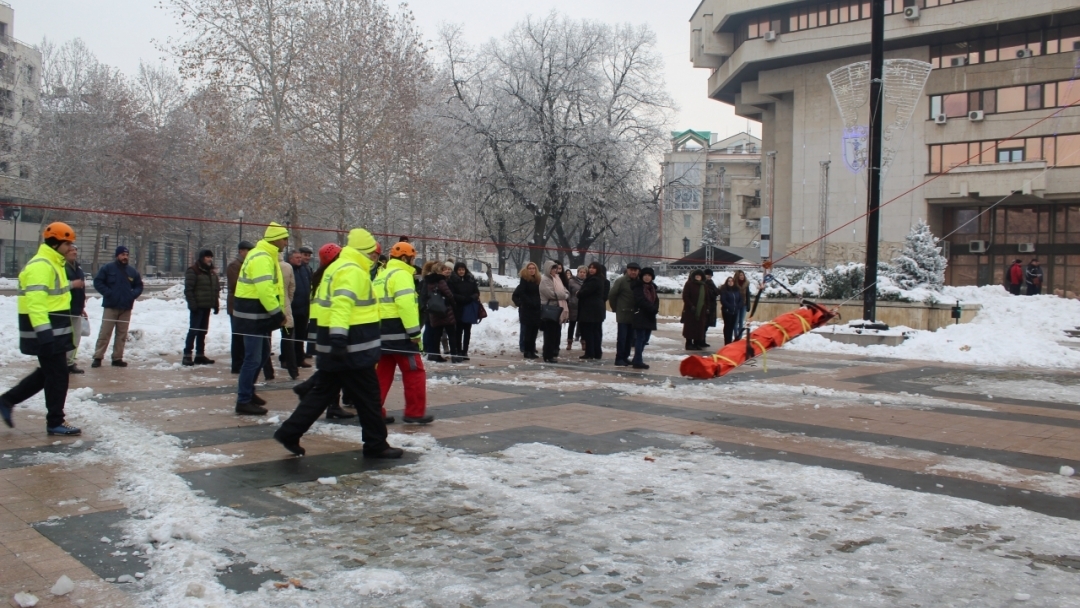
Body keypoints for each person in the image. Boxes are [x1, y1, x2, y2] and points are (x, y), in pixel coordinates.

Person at [273, 228, 402, 459]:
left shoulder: (337, 267)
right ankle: (376, 444)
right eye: (372, 253)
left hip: (335, 342)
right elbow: (342, 304)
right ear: (364, 251)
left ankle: (289, 432)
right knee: (369, 397)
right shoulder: (353, 271)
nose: (375, 258)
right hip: (352, 346)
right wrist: (340, 337)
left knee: (322, 393)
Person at [0, 222, 81, 435]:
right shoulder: (41, 265)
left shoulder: (54, 263)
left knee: (49, 373)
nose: (70, 247)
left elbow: (55, 296)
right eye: (67, 243)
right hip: (46, 332)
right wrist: (44, 333)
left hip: (55, 330)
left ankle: (7, 401)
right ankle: (55, 421)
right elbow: (36, 303)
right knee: (58, 375)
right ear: (56, 243)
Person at [234, 223, 291, 416]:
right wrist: (277, 313)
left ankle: (249, 391)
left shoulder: (267, 255)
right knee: (253, 357)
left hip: (257, 314)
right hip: (253, 315)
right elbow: (264, 289)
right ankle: (243, 399)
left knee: (263, 353)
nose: (286, 242)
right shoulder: (262, 257)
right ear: (275, 238)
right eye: (284, 238)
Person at [374, 241, 434, 424]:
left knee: (382, 374)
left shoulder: (381, 275)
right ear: (405, 258)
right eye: (412, 258)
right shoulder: (401, 275)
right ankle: (414, 413)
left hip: (380, 332)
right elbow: (406, 306)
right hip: (400, 334)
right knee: (414, 371)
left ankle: (373, 411)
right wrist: (415, 334)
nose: (413, 262)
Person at [91, 245, 143, 368]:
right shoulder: (107, 268)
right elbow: (98, 282)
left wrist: (132, 295)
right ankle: (98, 357)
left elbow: (139, 286)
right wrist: (109, 293)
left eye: (127, 255)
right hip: (111, 306)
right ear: (117, 256)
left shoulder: (132, 271)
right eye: (122, 255)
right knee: (105, 333)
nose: (125, 257)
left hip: (126, 307)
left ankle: (117, 358)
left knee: (121, 335)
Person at [182, 249, 220, 366]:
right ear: (202, 258)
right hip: (197, 307)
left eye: (211, 257)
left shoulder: (212, 272)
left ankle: (200, 355)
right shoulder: (193, 271)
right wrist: (192, 304)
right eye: (207, 257)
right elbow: (188, 290)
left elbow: (215, 289)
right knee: (194, 330)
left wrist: (215, 304)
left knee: (203, 331)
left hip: (207, 306)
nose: (210, 259)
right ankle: (187, 355)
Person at [421, 262, 459, 362]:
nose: (445, 271)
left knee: (436, 334)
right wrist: (453, 305)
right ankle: (454, 356)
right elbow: (449, 294)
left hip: (434, 311)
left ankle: (435, 355)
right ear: (439, 271)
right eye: (443, 269)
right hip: (446, 311)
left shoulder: (428, 281)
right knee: (451, 333)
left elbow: (424, 295)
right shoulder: (441, 281)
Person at [227, 241, 255, 373]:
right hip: (235, 306)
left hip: (244, 306)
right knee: (237, 336)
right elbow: (235, 285)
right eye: (247, 251)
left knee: (244, 336)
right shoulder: (234, 265)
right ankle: (237, 364)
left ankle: (242, 361)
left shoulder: (247, 264)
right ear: (241, 251)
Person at [607, 262, 640, 367]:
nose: (633, 272)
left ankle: (625, 357)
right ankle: (619, 358)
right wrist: (616, 308)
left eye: (635, 270)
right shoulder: (621, 281)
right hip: (623, 313)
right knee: (622, 337)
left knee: (630, 338)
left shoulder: (639, 282)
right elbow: (612, 295)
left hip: (634, 315)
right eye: (631, 270)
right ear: (627, 270)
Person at [448, 261, 480, 362]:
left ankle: (465, 350)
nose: (461, 272)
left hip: (469, 308)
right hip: (458, 308)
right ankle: (458, 350)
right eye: (459, 270)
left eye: (463, 269)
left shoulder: (470, 279)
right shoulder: (452, 281)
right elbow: (451, 294)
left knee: (467, 331)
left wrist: (472, 297)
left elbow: (476, 292)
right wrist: (462, 298)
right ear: (456, 271)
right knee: (458, 331)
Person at [538, 260, 569, 363]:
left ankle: (552, 353)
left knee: (555, 333)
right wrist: (563, 295)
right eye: (553, 268)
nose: (555, 270)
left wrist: (562, 294)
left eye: (555, 268)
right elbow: (551, 294)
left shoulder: (557, 279)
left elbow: (566, 291)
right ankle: (547, 355)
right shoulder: (545, 280)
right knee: (549, 334)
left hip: (558, 309)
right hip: (549, 309)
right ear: (548, 269)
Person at [64, 244, 88, 374]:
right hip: (65, 308)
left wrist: (82, 307)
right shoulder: (62, 267)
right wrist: (73, 285)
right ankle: (63, 362)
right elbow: (59, 286)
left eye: (75, 250)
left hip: (76, 307)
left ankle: (70, 362)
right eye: (71, 250)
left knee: (76, 337)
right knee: (66, 337)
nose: (74, 252)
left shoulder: (77, 268)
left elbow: (81, 289)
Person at [576, 262, 606, 361]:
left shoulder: (594, 280)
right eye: (590, 267)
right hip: (595, 310)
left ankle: (590, 352)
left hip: (591, 310)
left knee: (589, 332)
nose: (591, 269)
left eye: (594, 268)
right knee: (595, 332)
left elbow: (585, 292)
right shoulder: (599, 279)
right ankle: (596, 352)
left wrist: (578, 293)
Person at [512, 262, 542, 360]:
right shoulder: (524, 280)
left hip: (537, 309)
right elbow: (521, 294)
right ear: (527, 269)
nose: (532, 270)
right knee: (528, 332)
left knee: (534, 331)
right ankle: (527, 351)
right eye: (530, 268)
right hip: (527, 309)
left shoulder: (538, 280)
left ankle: (532, 350)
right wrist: (524, 303)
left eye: (533, 268)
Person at [631, 267, 659, 370]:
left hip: (650, 316)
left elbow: (656, 300)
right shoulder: (638, 287)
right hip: (641, 315)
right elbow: (640, 300)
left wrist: (655, 308)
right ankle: (638, 361)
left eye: (649, 276)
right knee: (640, 338)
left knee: (645, 339)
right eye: (645, 275)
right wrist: (652, 308)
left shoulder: (653, 288)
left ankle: (636, 358)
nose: (647, 277)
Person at [277, 251, 299, 380]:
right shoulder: (286, 267)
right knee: (288, 337)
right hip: (284, 306)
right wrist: (287, 301)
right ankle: (293, 370)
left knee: (265, 338)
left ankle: (268, 371)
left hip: (265, 307)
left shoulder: (265, 263)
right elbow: (292, 287)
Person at [291, 247, 314, 367]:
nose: (306, 258)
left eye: (308, 256)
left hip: (304, 307)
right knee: (290, 335)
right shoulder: (290, 269)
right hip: (293, 307)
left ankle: (299, 357)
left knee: (300, 334)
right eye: (304, 255)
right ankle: (288, 358)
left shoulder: (306, 270)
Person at [682, 270, 709, 350]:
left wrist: (707, 308)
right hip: (691, 310)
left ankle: (697, 343)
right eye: (696, 275)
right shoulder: (689, 284)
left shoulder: (704, 286)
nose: (697, 277)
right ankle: (689, 343)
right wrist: (691, 305)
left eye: (699, 275)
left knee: (699, 327)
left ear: (702, 277)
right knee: (690, 327)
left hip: (701, 310)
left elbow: (706, 298)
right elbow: (685, 296)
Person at [719, 276, 745, 345]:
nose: (730, 282)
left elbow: (740, 300)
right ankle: (727, 341)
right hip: (727, 311)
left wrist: (737, 306)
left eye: (732, 281)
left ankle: (730, 340)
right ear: (727, 282)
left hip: (735, 311)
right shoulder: (724, 290)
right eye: (729, 281)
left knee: (732, 326)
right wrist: (730, 306)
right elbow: (723, 300)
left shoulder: (737, 290)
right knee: (727, 326)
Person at [565, 267, 583, 352]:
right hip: (573, 305)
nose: (582, 274)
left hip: (583, 306)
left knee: (582, 325)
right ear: (578, 272)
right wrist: (570, 300)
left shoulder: (587, 281)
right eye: (580, 272)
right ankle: (569, 342)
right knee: (572, 325)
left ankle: (583, 342)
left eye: (584, 272)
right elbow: (568, 292)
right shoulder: (571, 281)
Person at [702, 269, 718, 348]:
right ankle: (701, 340)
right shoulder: (703, 283)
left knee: (707, 324)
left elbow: (716, 292)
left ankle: (703, 340)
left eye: (710, 275)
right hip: (705, 306)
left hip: (711, 306)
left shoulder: (711, 283)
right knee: (703, 324)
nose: (709, 276)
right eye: (707, 275)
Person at [733, 270, 750, 339]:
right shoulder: (734, 284)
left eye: (743, 275)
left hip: (744, 305)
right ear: (737, 276)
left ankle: (739, 336)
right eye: (740, 275)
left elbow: (748, 295)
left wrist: (748, 305)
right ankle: (736, 335)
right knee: (736, 321)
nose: (742, 276)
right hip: (736, 305)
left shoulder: (746, 284)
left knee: (741, 321)